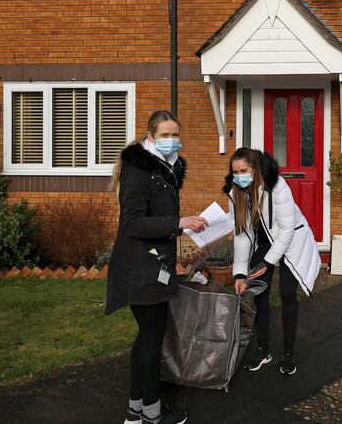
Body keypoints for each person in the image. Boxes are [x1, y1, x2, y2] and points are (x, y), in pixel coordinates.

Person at [106, 110, 207, 424]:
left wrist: (181, 224)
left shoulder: (166, 169)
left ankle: (135, 413)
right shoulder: (140, 170)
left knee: (147, 337)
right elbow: (133, 223)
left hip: (152, 263)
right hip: (140, 268)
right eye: (164, 134)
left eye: (175, 134)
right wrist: (179, 223)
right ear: (150, 137)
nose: (172, 139)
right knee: (151, 337)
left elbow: (155, 217)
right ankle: (152, 414)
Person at [224, 147, 321, 376]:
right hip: (265, 240)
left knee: (287, 292)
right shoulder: (234, 193)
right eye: (235, 172)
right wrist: (240, 273)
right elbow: (241, 235)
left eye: (244, 170)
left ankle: (288, 352)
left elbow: (287, 231)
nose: (239, 176)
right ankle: (263, 349)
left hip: (292, 239)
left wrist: (267, 263)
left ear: (255, 169)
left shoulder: (277, 186)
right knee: (259, 292)